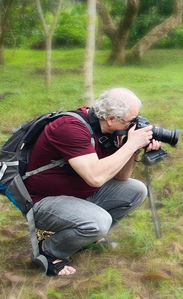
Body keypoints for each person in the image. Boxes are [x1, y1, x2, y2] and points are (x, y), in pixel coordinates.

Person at [25, 88, 160, 276]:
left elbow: (121, 177)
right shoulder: (70, 128)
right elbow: (95, 177)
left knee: (136, 190)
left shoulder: (110, 129)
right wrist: (131, 144)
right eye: (131, 121)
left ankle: (85, 239)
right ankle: (47, 251)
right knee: (99, 222)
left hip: (77, 193)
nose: (135, 125)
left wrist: (134, 149)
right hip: (42, 201)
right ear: (111, 118)